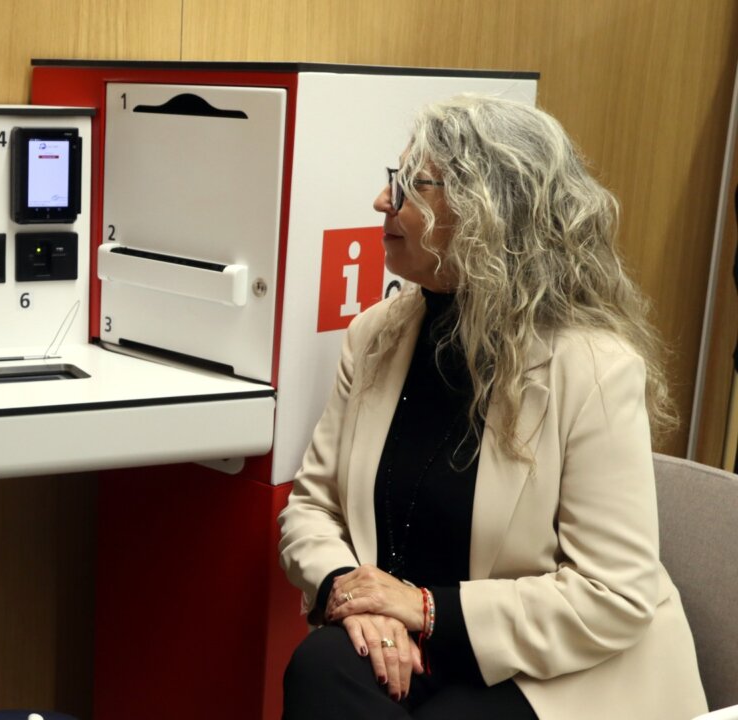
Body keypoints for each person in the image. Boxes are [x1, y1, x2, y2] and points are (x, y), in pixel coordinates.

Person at [278, 95, 707, 720]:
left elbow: (612, 595)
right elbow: (313, 508)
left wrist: (425, 608)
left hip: (559, 670)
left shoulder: (594, 368)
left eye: (410, 186)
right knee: (321, 667)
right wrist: (353, 592)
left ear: (488, 211)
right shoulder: (376, 334)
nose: (382, 204)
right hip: (406, 642)